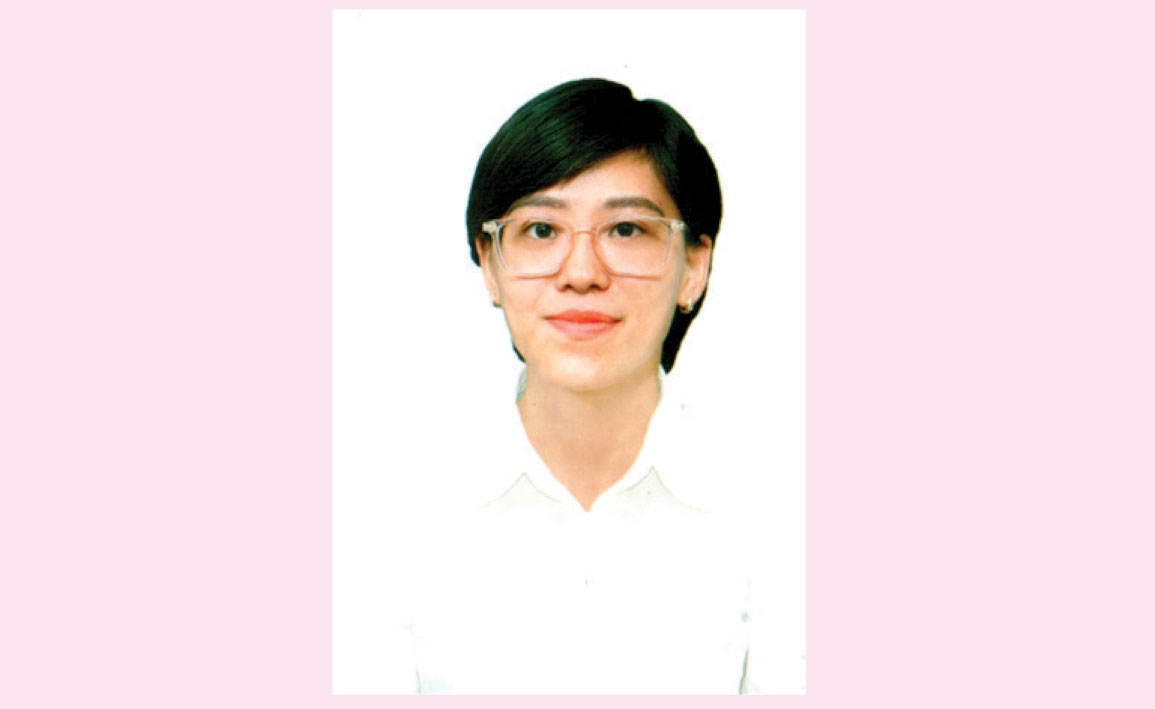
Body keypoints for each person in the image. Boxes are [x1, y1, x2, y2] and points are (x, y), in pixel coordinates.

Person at [398, 78, 797, 694]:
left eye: (627, 230)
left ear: (694, 265)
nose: (581, 273)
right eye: (541, 230)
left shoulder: (779, 514)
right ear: (490, 262)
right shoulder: (395, 514)